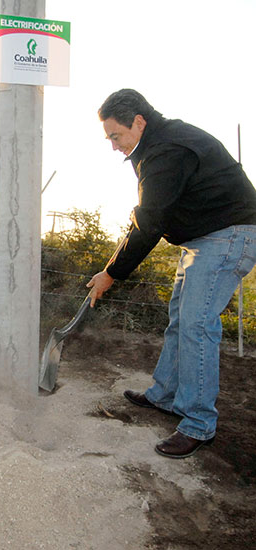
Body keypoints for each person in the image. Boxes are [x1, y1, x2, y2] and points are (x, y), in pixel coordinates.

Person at [87, 89, 256, 459]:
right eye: (109, 138)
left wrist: (110, 274)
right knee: (181, 319)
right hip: (204, 238)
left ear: (140, 122)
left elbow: (148, 226)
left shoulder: (166, 152)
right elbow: (146, 217)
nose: (114, 146)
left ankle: (198, 423)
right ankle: (164, 394)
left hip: (229, 235)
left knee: (197, 325)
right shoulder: (156, 145)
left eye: (116, 136)